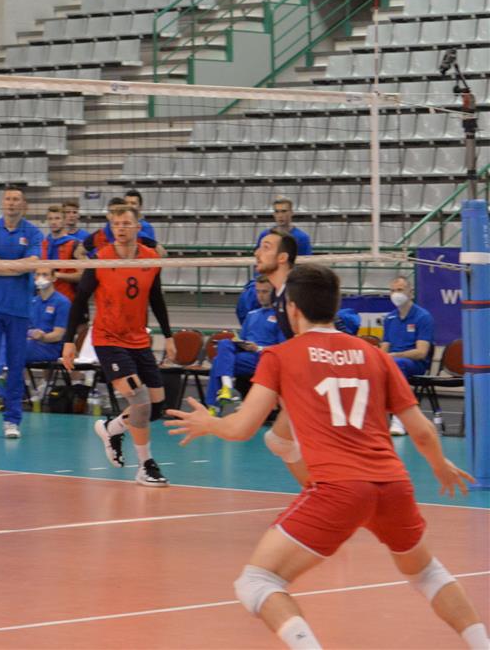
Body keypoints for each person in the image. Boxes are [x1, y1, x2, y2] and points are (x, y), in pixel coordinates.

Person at [166, 264, 487, 650]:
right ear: (334, 307)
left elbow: (243, 428)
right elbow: (421, 431)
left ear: (292, 308)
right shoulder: (375, 356)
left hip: (339, 489)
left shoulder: (281, 356)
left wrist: (209, 422)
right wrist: (439, 465)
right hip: (393, 485)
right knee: (427, 573)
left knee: (257, 582)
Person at [62, 204, 175, 486]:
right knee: (140, 402)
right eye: (116, 224)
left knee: (156, 407)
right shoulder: (101, 259)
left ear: (138, 227)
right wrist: (68, 342)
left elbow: (156, 298)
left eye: (126, 223)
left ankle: (112, 428)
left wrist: (168, 335)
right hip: (108, 339)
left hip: (139, 339)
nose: (120, 229)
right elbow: (79, 301)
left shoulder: (150, 259)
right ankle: (145, 466)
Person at [0, 186, 44, 440]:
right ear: (3, 203)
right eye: (8, 199)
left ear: (24, 205)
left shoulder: (33, 232)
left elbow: (32, 264)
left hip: (19, 310)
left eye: (16, 199)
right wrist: (16, 267)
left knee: (15, 365)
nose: (11, 203)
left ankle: (12, 420)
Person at [252, 231, 310, 485]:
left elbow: (314, 338)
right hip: (303, 376)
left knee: (303, 443)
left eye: (266, 247)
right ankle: (316, 492)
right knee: (279, 440)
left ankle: (324, 494)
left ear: (282, 257)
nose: (257, 253)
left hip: (320, 378)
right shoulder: (281, 294)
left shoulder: (296, 292)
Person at [207, 276, 281, 411]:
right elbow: (241, 339)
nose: (260, 296)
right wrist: (240, 343)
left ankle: (214, 406)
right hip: (246, 356)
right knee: (224, 343)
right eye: (258, 292)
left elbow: (284, 348)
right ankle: (227, 388)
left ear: (274, 292)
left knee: (219, 361)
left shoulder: (281, 317)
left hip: (264, 358)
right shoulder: (252, 315)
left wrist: (258, 348)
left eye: (265, 292)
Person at [381, 275, 435, 435]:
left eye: (400, 290)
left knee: (398, 364)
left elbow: (421, 352)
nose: (395, 294)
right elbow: (384, 348)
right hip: (393, 361)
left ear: (410, 293)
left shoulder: (423, 317)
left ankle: (399, 419)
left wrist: (396, 355)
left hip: (414, 363)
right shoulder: (390, 318)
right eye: (392, 291)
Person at [41, 202, 85, 301]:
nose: (53, 222)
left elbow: (83, 275)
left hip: (68, 299)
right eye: (50, 219)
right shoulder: (44, 244)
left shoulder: (75, 244)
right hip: (47, 299)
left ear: (64, 220)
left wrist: (57, 275)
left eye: (57, 218)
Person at [25, 270, 69, 364]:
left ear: (54, 278)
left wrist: (42, 337)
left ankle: (4, 370)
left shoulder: (62, 302)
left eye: (45, 274)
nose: (41, 278)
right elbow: (23, 328)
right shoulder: (32, 302)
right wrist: (31, 333)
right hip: (30, 342)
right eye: (38, 274)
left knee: (17, 349)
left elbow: (59, 335)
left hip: (50, 347)